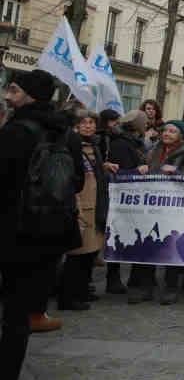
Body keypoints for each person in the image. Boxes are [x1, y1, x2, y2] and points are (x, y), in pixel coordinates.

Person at [1, 70, 83, 380]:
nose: (8, 96)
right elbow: (75, 183)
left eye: (13, 90)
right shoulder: (66, 134)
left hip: (14, 230)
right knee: (21, 312)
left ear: (30, 95)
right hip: (51, 233)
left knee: (11, 309)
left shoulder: (15, 132)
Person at [131, 120, 184, 305]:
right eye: (166, 130)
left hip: (175, 208)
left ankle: (171, 287)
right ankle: (147, 287)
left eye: (173, 131)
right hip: (153, 207)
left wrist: (177, 172)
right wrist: (143, 168)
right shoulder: (154, 151)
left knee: (172, 246)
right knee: (149, 244)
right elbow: (147, 168)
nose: (167, 134)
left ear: (181, 135)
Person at [60, 111, 117, 311]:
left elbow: (94, 172)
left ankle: (82, 290)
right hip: (80, 205)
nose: (88, 126)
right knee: (77, 255)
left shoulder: (94, 146)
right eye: (83, 122)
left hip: (95, 205)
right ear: (75, 125)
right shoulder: (70, 146)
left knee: (90, 254)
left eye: (91, 122)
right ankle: (68, 297)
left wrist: (104, 166)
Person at [104, 109, 148, 295]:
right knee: (119, 236)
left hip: (132, 197)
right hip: (124, 198)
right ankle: (113, 278)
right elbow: (122, 171)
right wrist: (137, 170)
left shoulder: (131, 142)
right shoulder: (123, 144)